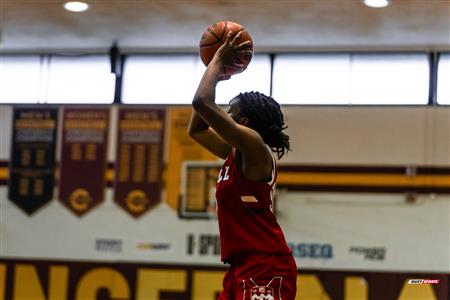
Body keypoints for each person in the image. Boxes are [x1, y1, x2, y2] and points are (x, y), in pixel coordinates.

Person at [188, 31, 297, 300]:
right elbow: (197, 129)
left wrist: (217, 62)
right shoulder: (236, 152)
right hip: (241, 266)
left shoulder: (254, 146)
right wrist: (219, 74)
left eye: (229, 112)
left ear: (245, 123)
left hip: (266, 264)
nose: (222, 114)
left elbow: (202, 102)